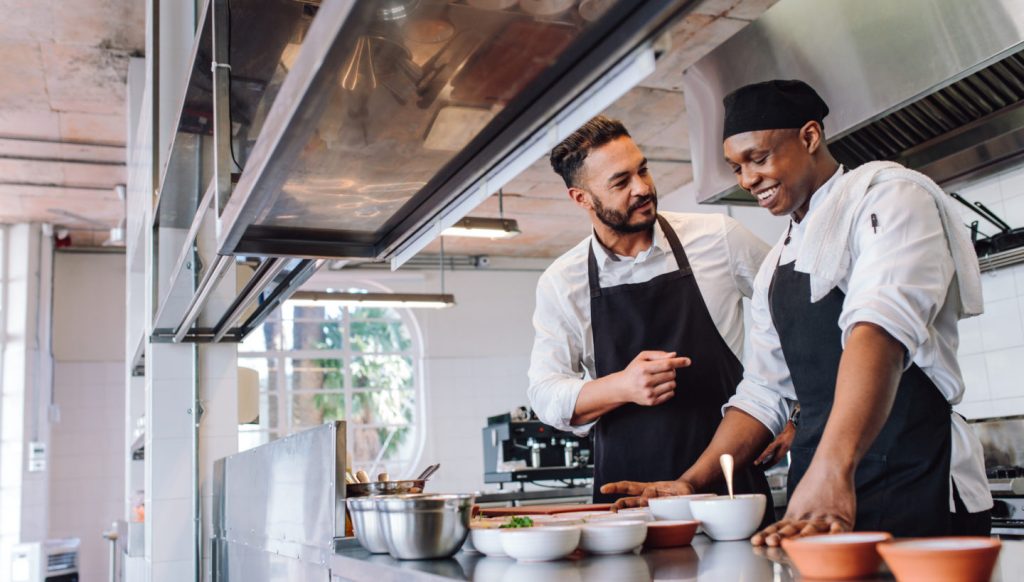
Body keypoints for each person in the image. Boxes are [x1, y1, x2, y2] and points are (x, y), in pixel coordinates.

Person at [602, 80, 993, 544]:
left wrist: (833, 466)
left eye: (759, 158)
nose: (747, 180)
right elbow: (764, 393)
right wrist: (692, 481)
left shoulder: (890, 198)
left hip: (915, 474)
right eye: (736, 167)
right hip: (818, 497)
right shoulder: (775, 265)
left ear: (809, 137)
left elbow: (880, 330)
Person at [527, 115, 783, 510]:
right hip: (628, 497)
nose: (642, 188)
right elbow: (544, 394)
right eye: (620, 181)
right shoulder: (563, 281)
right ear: (581, 198)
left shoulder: (719, 239)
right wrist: (624, 386)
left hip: (728, 486)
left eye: (642, 170)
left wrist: (797, 416)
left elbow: (798, 315)